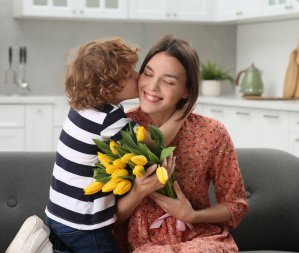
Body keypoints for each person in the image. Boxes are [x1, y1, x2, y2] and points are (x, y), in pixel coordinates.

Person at [44, 37, 185, 253]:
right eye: (129, 76)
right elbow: (156, 140)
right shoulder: (107, 119)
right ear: (106, 90)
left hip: (57, 214)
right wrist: (180, 114)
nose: (138, 77)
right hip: (84, 224)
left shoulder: (80, 108)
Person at [114, 34, 248, 253]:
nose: (153, 86)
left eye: (168, 81)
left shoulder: (212, 132)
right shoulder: (120, 129)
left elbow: (236, 205)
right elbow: (104, 218)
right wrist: (138, 191)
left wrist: (192, 215)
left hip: (202, 240)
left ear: (187, 90)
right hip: (145, 245)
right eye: (147, 74)